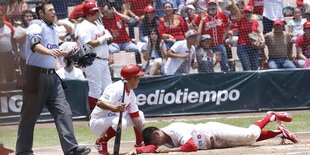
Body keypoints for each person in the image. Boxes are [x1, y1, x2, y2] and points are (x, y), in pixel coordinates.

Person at [15, 1, 91, 155]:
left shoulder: (52, 27)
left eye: (54, 9)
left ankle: (71, 149)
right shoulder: (36, 25)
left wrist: (68, 48)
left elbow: (54, 45)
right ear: (41, 13)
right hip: (35, 76)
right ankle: (23, 151)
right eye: (50, 10)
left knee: (64, 112)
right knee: (29, 117)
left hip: (52, 77)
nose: (54, 12)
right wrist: (52, 53)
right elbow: (35, 45)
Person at [126, 111, 298, 154]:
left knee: (250, 135)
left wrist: (171, 150)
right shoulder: (160, 140)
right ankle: (279, 132)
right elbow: (153, 149)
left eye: (157, 142)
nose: (158, 146)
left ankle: (270, 116)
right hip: (213, 142)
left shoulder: (174, 129)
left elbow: (192, 146)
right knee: (248, 140)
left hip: (214, 132)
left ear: (157, 134)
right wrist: (138, 150)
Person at [90, 64, 145, 155]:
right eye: (138, 77)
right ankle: (101, 142)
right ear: (132, 79)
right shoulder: (116, 88)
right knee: (120, 122)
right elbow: (99, 102)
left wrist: (146, 136)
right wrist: (113, 107)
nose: (139, 80)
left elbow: (135, 117)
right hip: (98, 122)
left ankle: (140, 143)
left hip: (113, 120)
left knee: (140, 114)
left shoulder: (131, 93)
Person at [76, 2, 113, 112]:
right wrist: (104, 38)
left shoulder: (98, 24)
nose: (98, 13)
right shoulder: (83, 26)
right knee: (95, 89)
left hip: (103, 60)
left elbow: (106, 39)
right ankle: (93, 114)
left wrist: (107, 36)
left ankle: (107, 112)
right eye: (95, 12)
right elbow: (88, 43)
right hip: (93, 60)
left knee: (108, 88)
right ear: (89, 14)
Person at [193, 0, 231, 72]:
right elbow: (192, 26)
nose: (212, 7)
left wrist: (225, 34)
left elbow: (229, 23)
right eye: (210, 5)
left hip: (219, 44)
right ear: (207, 6)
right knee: (207, 66)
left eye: (214, 5)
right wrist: (198, 37)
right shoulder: (202, 15)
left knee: (224, 65)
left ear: (216, 6)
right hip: (207, 47)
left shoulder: (221, 15)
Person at [235, 4, 264, 71]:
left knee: (255, 66)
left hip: (253, 46)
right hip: (242, 46)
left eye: (249, 12)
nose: (247, 14)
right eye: (246, 12)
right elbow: (236, 10)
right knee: (246, 66)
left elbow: (259, 32)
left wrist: (263, 39)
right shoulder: (241, 20)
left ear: (252, 13)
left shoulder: (255, 22)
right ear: (243, 13)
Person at [0, 7, 17, 83]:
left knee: (9, 72)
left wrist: (16, 52)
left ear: (3, 16)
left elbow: (13, 40)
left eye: (0, 15)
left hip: (9, 54)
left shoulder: (9, 25)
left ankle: (10, 90)